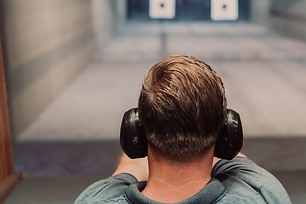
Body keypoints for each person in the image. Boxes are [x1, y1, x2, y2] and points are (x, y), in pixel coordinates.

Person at [74, 55, 292, 204]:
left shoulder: (95, 199)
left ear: (135, 132)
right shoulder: (262, 193)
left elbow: (129, 167)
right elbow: (232, 157)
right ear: (227, 134)